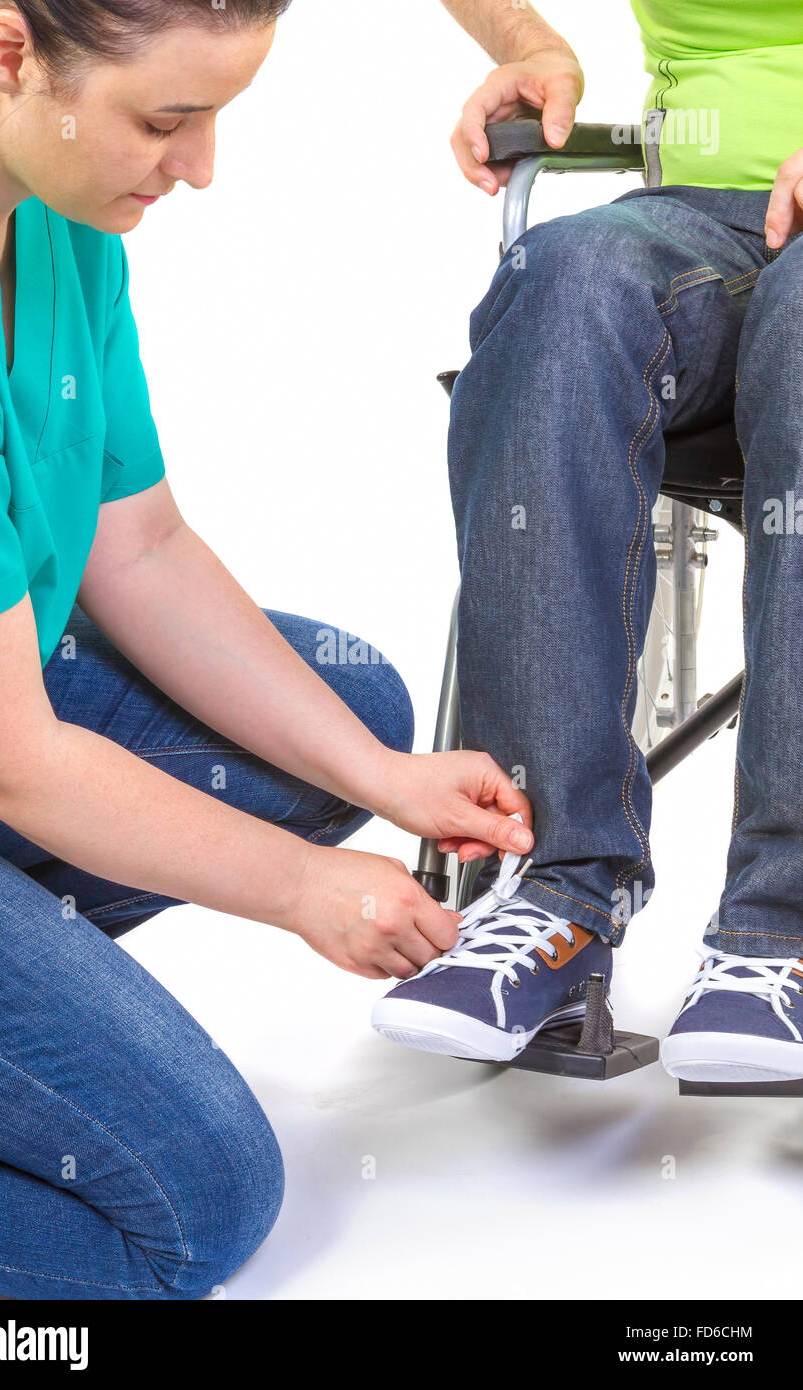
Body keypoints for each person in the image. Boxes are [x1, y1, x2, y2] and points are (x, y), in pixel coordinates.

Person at [0, 0, 536, 1300]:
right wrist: (301, 885)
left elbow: (137, 548)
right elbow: (4, 759)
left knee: (354, 702)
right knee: (192, 1206)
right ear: (6, 52)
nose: (200, 167)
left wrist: (386, 780)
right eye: (169, 119)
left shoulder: (57, 211)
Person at [373, 0, 803, 1087]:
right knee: (564, 280)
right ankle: (560, 889)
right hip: (699, 218)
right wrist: (527, 45)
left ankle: (778, 928)